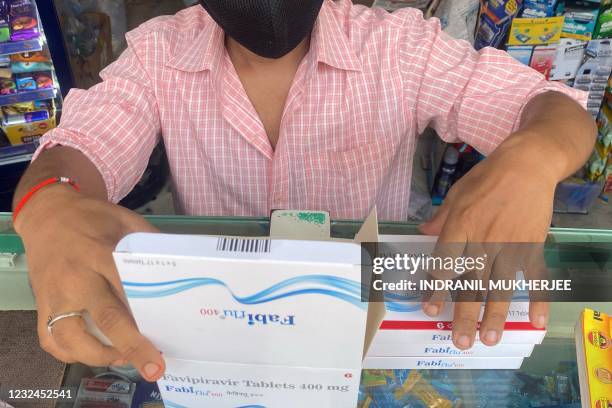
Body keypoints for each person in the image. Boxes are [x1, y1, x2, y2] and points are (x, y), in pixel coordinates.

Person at [13, 0, 595, 382]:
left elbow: (555, 112)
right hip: (217, 330)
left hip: (366, 332)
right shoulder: (159, 54)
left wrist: (532, 158)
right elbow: (82, 145)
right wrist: (51, 205)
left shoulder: (400, 48)